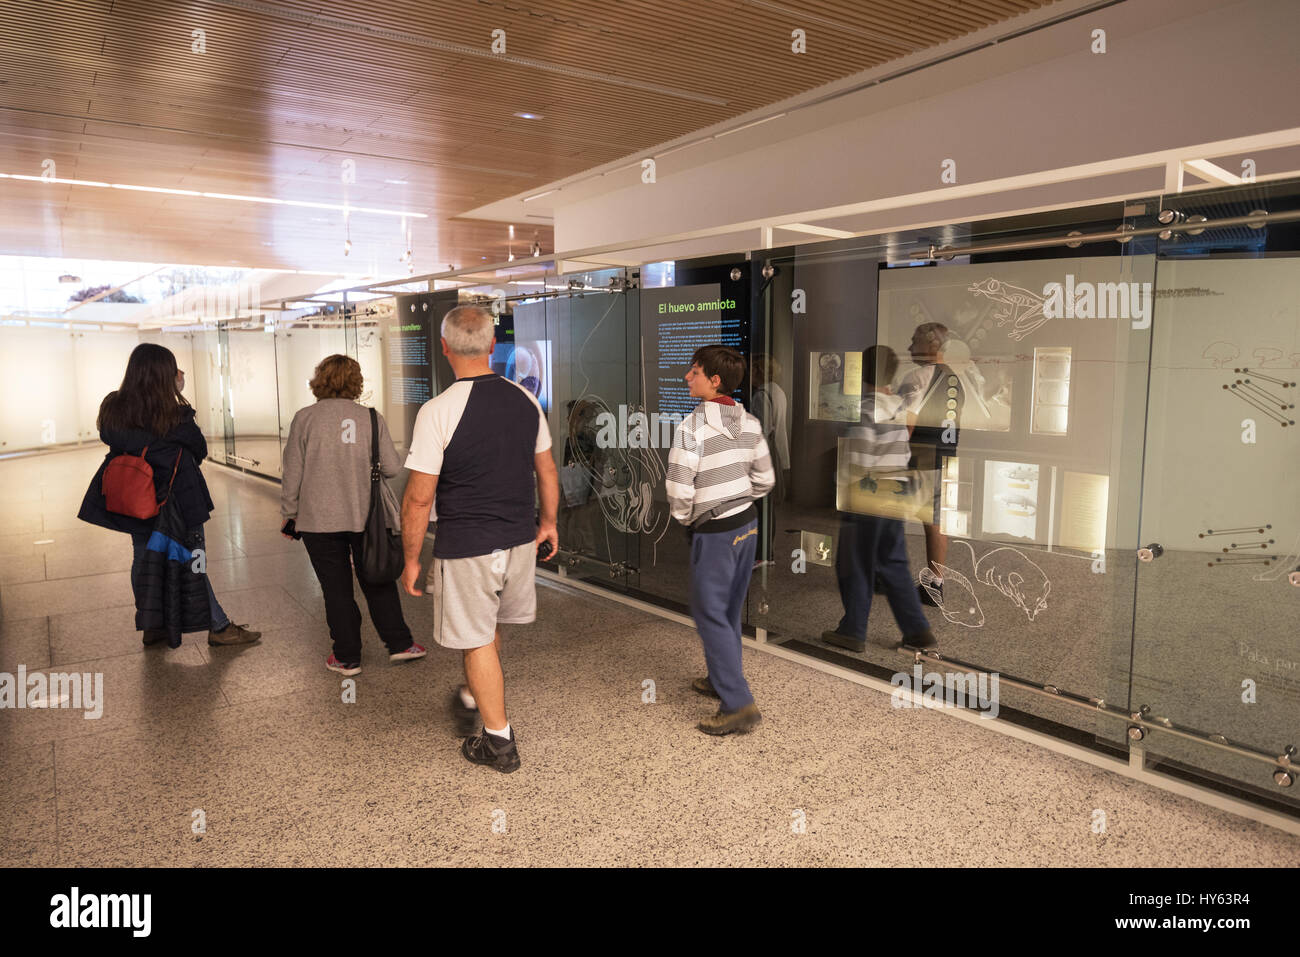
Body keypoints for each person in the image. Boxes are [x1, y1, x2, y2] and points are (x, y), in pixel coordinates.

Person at [400, 305, 559, 774]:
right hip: (518, 541)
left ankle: (499, 742)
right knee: (487, 629)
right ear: (492, 346)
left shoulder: (437, 411)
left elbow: (417, 498)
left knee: (476, 641)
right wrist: (547, 523)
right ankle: (474, 692)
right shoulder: (526, 401)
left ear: (444, 348)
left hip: (468, 546)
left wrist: (412, 558)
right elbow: (546, 470)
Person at [78, 343, 260, 648]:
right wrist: (176, 395)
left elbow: (112, 435)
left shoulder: (114, 408)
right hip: (179, 500)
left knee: (143, 557)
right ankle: (218, 627)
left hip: (137, 499)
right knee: (194, 558)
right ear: (165, 374)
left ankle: (154, 626)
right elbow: (199, 449)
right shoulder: (173, 414)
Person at [280, 354, 425, 676]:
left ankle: (347, 657)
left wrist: (290, 512)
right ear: (355, 382)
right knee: (377, 580)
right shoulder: (371, 417)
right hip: (366, 517)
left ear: (320, 380)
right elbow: (391, 467)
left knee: (336, 589)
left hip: (318, 521)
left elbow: (292, 472)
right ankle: (400, 644)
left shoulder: (304, 418)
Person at [666, 345, 775, 735]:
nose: (686, 378)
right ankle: (719, 677)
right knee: (727, 609)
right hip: (747, 524)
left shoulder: (691, 428)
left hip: (713, 531)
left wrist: (686, 520)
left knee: (709, 612)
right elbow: (765, 480)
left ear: (714, 381)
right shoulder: (748, 422)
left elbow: (679, 488)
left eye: (693, 372)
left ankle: (738, 704)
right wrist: (737, 498)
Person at [822, 346, 937, 653]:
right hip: (894, 493)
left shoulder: (864, 409)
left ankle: (853, 630)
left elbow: (857, 456)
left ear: (861, 373)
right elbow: (904, 451)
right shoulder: (898, 407)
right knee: (893, 562)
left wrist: (844, 490)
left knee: (854, 563)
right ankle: (917, 630)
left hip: (867, 496)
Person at [897, 322, 964, 607]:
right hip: (946, 457)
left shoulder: (917, 377)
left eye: (914, 341)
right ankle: (936, 583)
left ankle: (887, 574)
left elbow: (906, 422)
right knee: (937, 522)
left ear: (932, 344)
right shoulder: (955, 380)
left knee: (891, 514)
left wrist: (895, 457)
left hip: (920, 458)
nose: (910, 346)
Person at [751, 353, 790, 501]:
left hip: (767, 453)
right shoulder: (778, 391)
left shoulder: (761, 395)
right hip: (778, 450)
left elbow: (762, 431)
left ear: (758, 371)